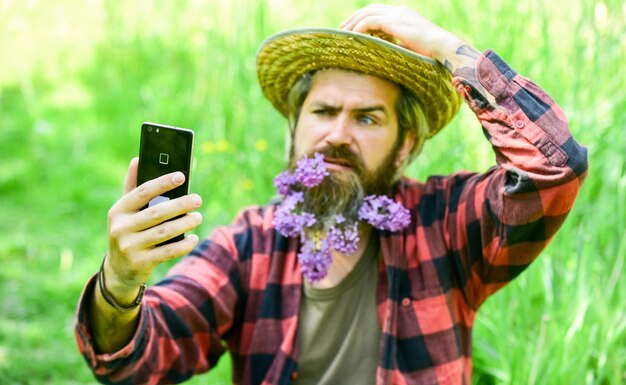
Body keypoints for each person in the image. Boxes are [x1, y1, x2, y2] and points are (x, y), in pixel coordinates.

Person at [74, 4, 587, 385]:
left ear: (405, 144)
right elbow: (134, 361)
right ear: (295, 130)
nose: (338, 134)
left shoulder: (445, 228)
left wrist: (442, 44)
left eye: (367, 117)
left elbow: (554, 165)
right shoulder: (250, 245)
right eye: (323, 112)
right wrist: (120, 284)